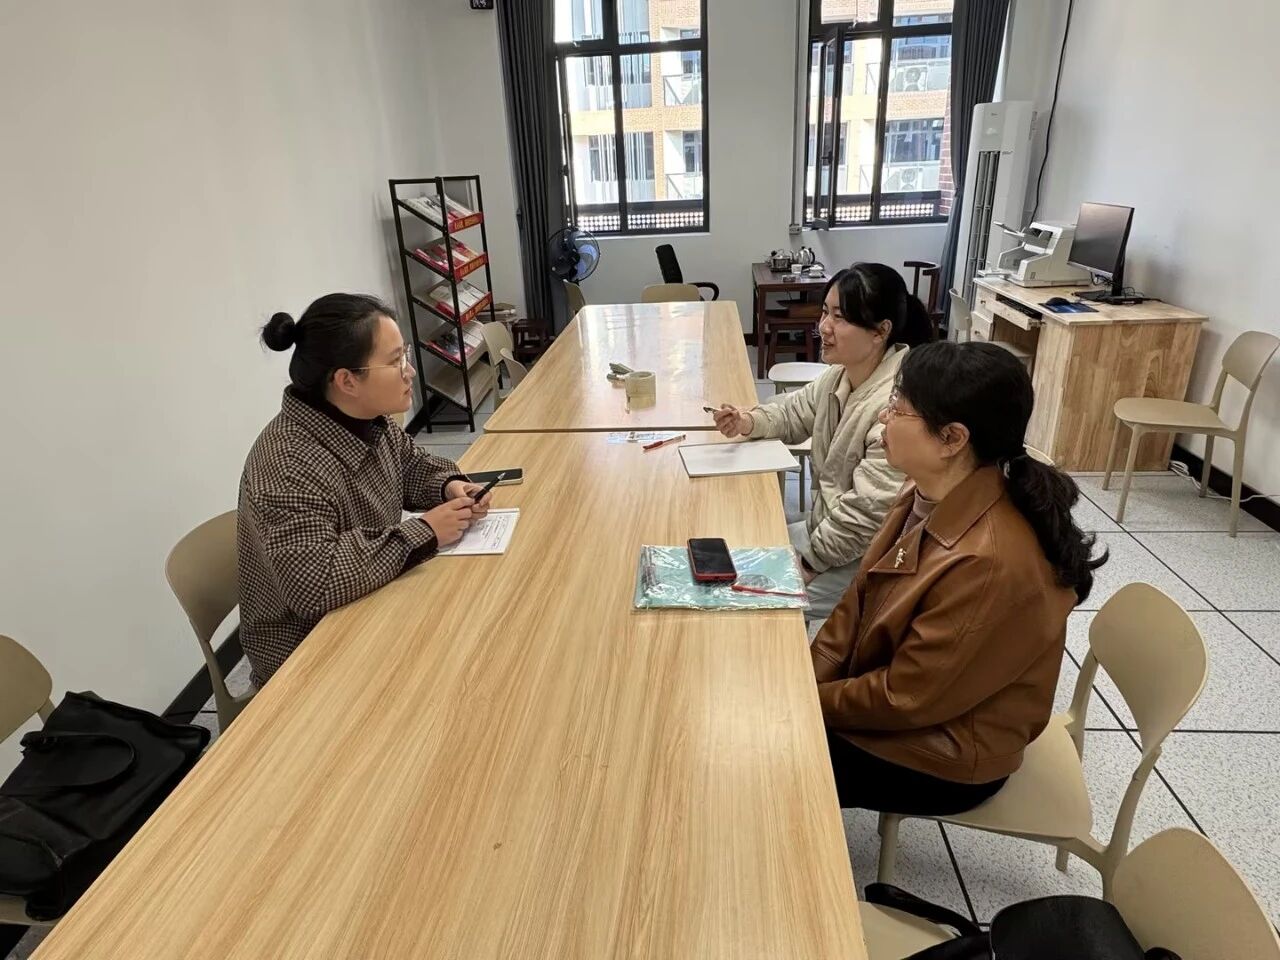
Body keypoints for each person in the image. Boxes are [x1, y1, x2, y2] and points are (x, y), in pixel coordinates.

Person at [812, 340, 1108, 816]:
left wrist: (805, 702)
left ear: (951, 438)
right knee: (761, 721)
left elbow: (904, 697)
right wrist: (805, 677)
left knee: (765, 753)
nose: (883, 417)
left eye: (897, 408)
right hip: (909, 706)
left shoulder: (986, 561)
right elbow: (859, 599)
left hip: (944, 754)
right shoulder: (926, 487)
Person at [237, 293, 491, 688]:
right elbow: (316, 584)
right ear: (347, 381)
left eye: (405, 355)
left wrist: (449, 486)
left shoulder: (368, 419)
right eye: (395, 361)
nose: (409, 372)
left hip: (370, 600)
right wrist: (426, 531)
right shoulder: (288, 465)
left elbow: (411, 466)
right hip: (307, 654)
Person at [713, 262, 934, 621]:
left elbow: (865, 516)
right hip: (826, 533)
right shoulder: (840, 376)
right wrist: (748, 421)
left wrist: (807, 563)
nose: (823, 327)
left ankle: (793, 654)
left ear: (881, 331)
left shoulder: (897, 407)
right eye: (824, 312)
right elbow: (793, 412)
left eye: (839, 317)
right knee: (738, 553)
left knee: (752, 601)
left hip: (866, 558)